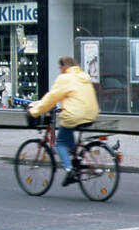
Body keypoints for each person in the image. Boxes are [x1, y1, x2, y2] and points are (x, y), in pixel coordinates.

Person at [29, 56, 100, 187]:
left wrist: (35, 111)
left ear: (64, 66)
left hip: (75, 115)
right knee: (70, 140)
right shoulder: (83, 75)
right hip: (91, 113)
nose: (60, 70)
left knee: (60, 142)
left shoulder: (65, 78)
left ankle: (69, 170)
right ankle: (77, 159)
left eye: (60, 67)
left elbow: (51, 98)